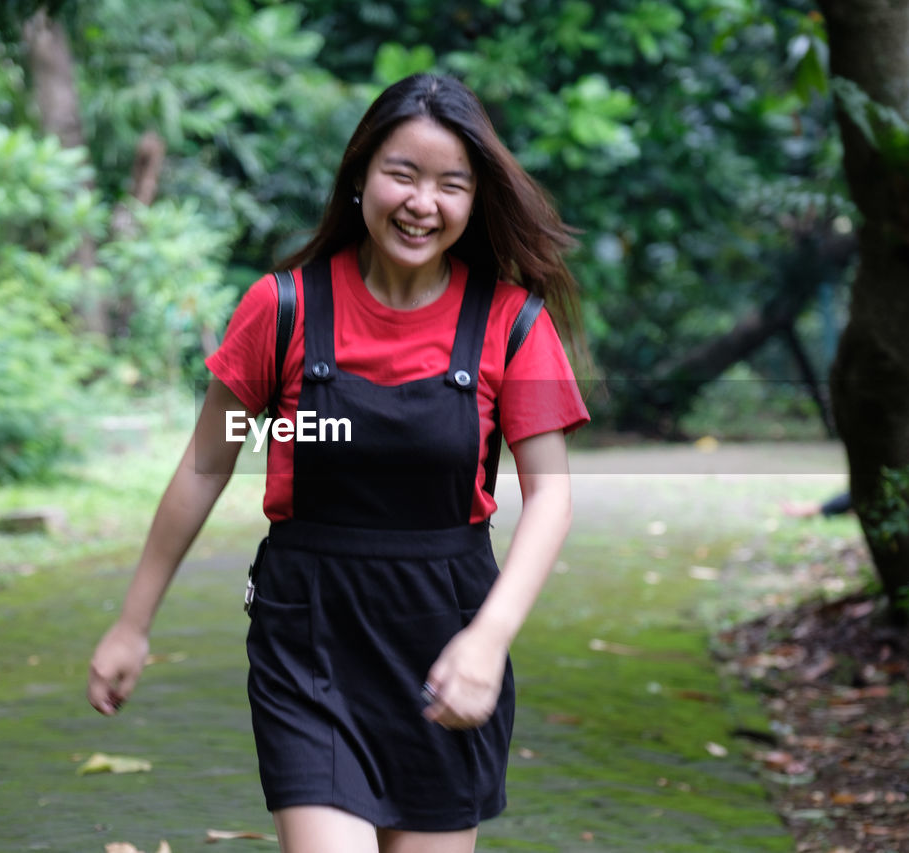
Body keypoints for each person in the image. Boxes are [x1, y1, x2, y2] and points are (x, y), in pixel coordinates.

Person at [87, 73, 590, 853]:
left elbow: (551, 499)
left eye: (451, 184)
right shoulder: (281, 308)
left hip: (444, 634)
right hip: (309, 638)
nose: (424, 202)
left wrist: (489, 639)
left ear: (474, 200)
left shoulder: (511, 323)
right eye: (403, 173)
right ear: (360, 176)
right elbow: (203, 467)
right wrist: (131, 622)